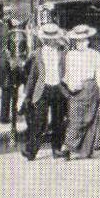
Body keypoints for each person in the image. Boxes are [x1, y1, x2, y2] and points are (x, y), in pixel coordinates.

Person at [62, 24, 100, 159]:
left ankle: (86, 150)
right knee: (75, 119)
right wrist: (71, 85)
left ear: (88, 40)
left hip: (90, 89)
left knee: (90, 119)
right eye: (77, 41)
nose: (80, 43)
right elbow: (67, 74)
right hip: (75, 91)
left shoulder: (95, 55)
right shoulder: (70, 55)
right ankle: (68, 146)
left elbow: (99, 75)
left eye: (82, 40)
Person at [24, 21, 68, 160]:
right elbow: (33, 76)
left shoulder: (63, 53)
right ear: (44, 39)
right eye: (48, 38)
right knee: (38, 121)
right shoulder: (37, 53)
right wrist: (27, 94)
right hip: (42, 90)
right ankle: (31, 151)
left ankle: (57, 149)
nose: (50, 41)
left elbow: (68, 71)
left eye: (53, 38)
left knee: (58, 122)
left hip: (58, 89)